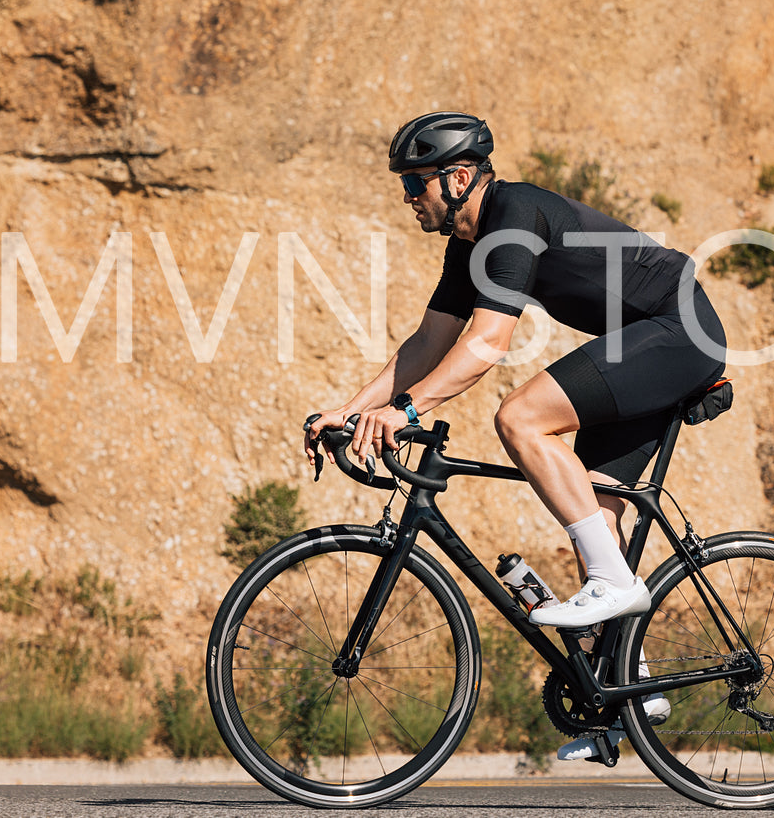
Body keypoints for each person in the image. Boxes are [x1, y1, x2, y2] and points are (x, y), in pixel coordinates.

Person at [303, 111, 728, 760]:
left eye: (416, 184)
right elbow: (426, 345)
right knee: (597, 525)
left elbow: (485, 344)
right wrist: (353, 410)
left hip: (678, 328)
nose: (407, 198)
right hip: (643, 344)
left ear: (460, 177)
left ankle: (616, 594)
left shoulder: (513, 215)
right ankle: (630, 690)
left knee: (520, 417)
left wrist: (408, 412)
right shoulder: (466, 247)